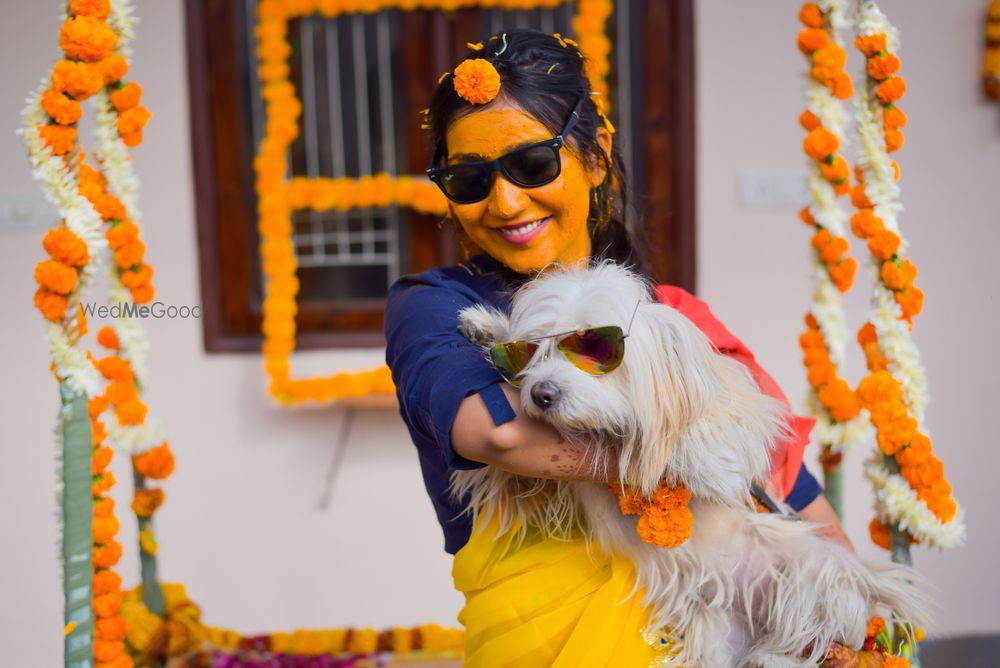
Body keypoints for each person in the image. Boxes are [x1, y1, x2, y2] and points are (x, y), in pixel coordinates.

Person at [385, 29, 851, 666]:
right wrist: (679, 456)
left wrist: (860, 625)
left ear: (596, 156)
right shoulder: (440, 309)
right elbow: (497, 435)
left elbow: (784, 478)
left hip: (729, 632)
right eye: (469, 179)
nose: (506, 201)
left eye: (532, 164)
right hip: (546, 641)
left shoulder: (676, 317)